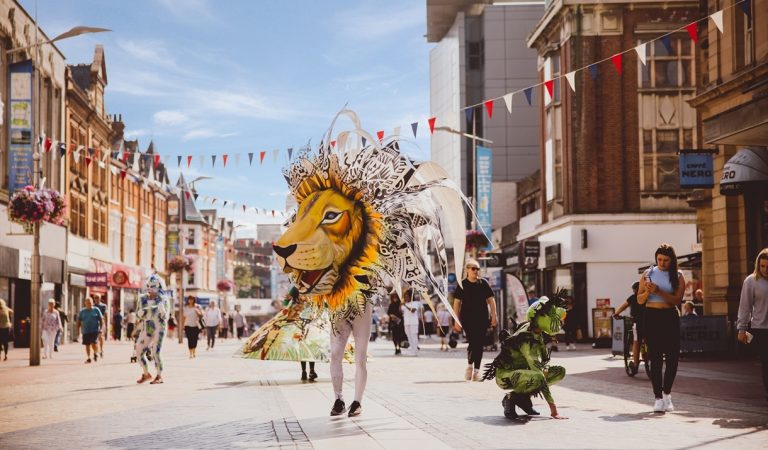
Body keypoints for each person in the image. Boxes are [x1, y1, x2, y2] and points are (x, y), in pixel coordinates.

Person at [483, 293, 568, 420]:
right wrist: (553, 409)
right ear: (538, 317)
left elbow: (542, 362)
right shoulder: (525, 337)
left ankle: (522, 399)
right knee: (538, 376)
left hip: (525, 372)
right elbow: (537, 370)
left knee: (559, 372)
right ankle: (511, 399)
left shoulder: (538, 333)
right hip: (507, 375)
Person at [637, 243, 685, 413]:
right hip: (652, 317)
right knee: (655, 359)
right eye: (659, 259)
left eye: (666, 260)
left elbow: (677, 301)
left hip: (670, 317)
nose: (662, 263)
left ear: (672, 260)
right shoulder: (648, 273)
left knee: (672, 359)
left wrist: (659, 292)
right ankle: (657, 397)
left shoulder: (678, 275)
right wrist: (648, 293)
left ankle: (667, 394)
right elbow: (639, 300)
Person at [453, 258, 498, 382]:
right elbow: (456, 302)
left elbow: (491, 300)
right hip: (467, 318)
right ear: (467, 270)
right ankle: (469, 366)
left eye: (477, 269)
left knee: (479, 344)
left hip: (482, 318)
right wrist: (456, 320)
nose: (476, 271)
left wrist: (494, 315)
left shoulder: (483, 283)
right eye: (473, 268)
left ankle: (476, 371)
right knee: (473, 341)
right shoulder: (462, 284)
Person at [736, 248, 768, 401]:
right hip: (760, 329)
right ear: (758, 265)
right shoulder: (751, 281)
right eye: (762, 266)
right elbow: (745, 306)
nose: (765, 269)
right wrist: (742, 329)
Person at [134, 274, 170, 384]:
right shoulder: (142, 298)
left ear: (159, 286)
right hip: (148, 327)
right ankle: (146, 374)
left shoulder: (163, 299)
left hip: (160, 327)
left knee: (156, 352)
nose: (150, 288)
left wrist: (163, 312)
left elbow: (166, 317)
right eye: (148, 286)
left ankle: (159, 376)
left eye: (153, 286)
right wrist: (140, 314)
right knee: (138, 350)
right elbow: (138, 315)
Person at [613, 282, 645, 374]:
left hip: (637, 323)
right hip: (649, 322)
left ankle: (635, 365)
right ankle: (647, 355)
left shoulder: (633, 297)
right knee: (648, 339)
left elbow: (624, 306)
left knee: (636, 342)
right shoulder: (648, 296)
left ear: (635, 290)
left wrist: (616, 313)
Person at [77, 297, 104, 363]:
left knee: (93, 343)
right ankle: (89, 357)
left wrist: (101, 328)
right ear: (85, 303)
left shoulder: (96, 309)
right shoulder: (82, 311)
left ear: (92, 303)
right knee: (87, 344)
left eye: (90, 302)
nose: (89, 304)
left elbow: (101, 319)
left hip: (94, 330)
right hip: (85, 330)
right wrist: (78, 331)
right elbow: (78, 321)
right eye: (87, 303)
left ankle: (95, 352)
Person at [401, 290, 421, 356]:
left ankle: (415, 351)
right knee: (409, 336)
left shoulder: (415, 303)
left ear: (410, 296)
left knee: (414, 336)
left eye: (407, 296)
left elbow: (413, 310)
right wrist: (401, 303)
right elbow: (400, 311)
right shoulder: (405, 304)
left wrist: (405, 306)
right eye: (405, 296)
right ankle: (412, 350)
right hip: (406, 322)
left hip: (413, 322)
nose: (406, 297)